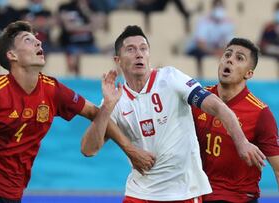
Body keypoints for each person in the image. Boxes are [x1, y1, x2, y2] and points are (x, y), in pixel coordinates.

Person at [0, 21, 155, 203]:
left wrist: (130, 148)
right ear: (12, 56)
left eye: (38, 40)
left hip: (12, 194)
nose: (39, 43)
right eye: (29, 40)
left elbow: (94, 113)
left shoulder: (52, 89)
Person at [81, 25, 266, 202]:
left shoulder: (170, 79)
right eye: (130, 49)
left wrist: (241, 142)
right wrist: (106, 107)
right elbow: (88, 150)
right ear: (117, 60)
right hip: (139, 192)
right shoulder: (116, 99)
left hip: (183, 192)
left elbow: (217, 106)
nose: (139, 54)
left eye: (143, 48)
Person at [192, 38, 279, 202]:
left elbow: (278, 168)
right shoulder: (198, 98)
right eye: (227, 55)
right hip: (198, 195)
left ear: (249, 73)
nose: (230, 60)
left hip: (238, 198)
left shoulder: (260, 113)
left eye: (239, 58)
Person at [186, 0, 234, 78]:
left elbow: (228, 43)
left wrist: (221, 51)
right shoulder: (204, 21)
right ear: (212, 8)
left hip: (214, 49)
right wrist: (214, 52)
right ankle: (200, 77)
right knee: (199, 53)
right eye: (217, 6)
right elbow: (200, 43)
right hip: (197, 49)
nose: (219, 9)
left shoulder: (228, 23)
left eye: (220, 7)